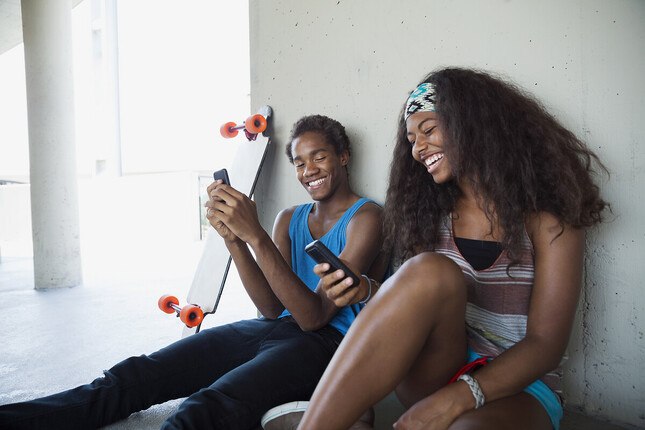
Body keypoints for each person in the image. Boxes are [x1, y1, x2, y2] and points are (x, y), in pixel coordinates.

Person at [0, 114, 386, 430]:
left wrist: (256, 236)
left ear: (344, 156)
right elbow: (271, 308)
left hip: (324, 346)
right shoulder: (290, 218)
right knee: (136, 375)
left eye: (319, 157)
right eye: (299, 163)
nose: (308, 171)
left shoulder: (366, 217)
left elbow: (314, 317)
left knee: (207, 408)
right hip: (273, 329)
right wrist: (235, 239)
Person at [297, 68, 609, 430]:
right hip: (439, 365)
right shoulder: (427, 215)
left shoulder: (550, 218)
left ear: (474, 126)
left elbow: (545, 344)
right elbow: (418, 305)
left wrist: (455, 399)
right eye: (411, 139)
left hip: (521, 384)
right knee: (429, 270)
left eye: (428, 131)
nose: (417, 149)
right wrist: (365, 290)